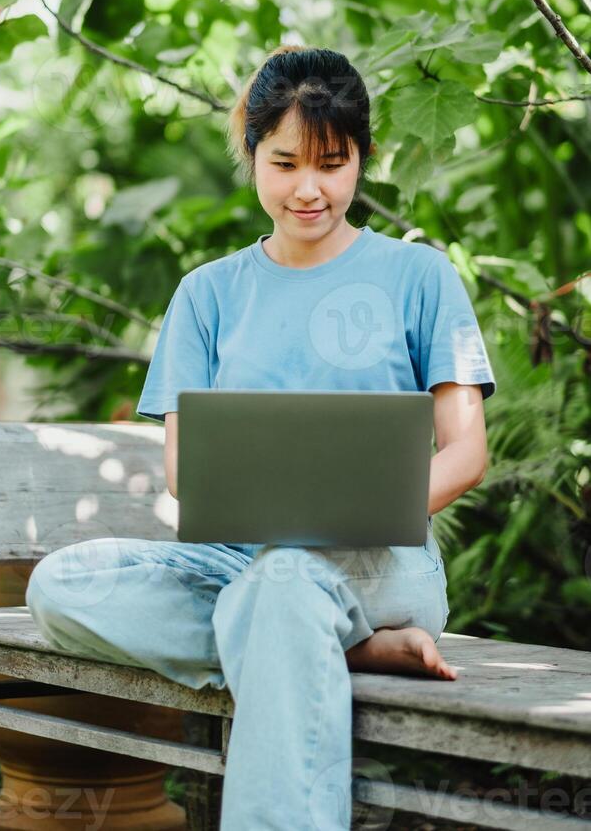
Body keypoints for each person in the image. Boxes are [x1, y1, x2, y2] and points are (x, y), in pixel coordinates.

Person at [25, 45, 497, 830]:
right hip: (243, 561)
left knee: (281, 590)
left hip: (381, 562)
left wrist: (368, 506)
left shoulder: (421, 277)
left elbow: (467, 451)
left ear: (362, 158)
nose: (308, 189)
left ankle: (311, 625)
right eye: (284, 163)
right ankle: (343, 646)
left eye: (333, 163)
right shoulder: (206, 295)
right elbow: (186, 472)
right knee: (61, 586)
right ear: (251, 152)